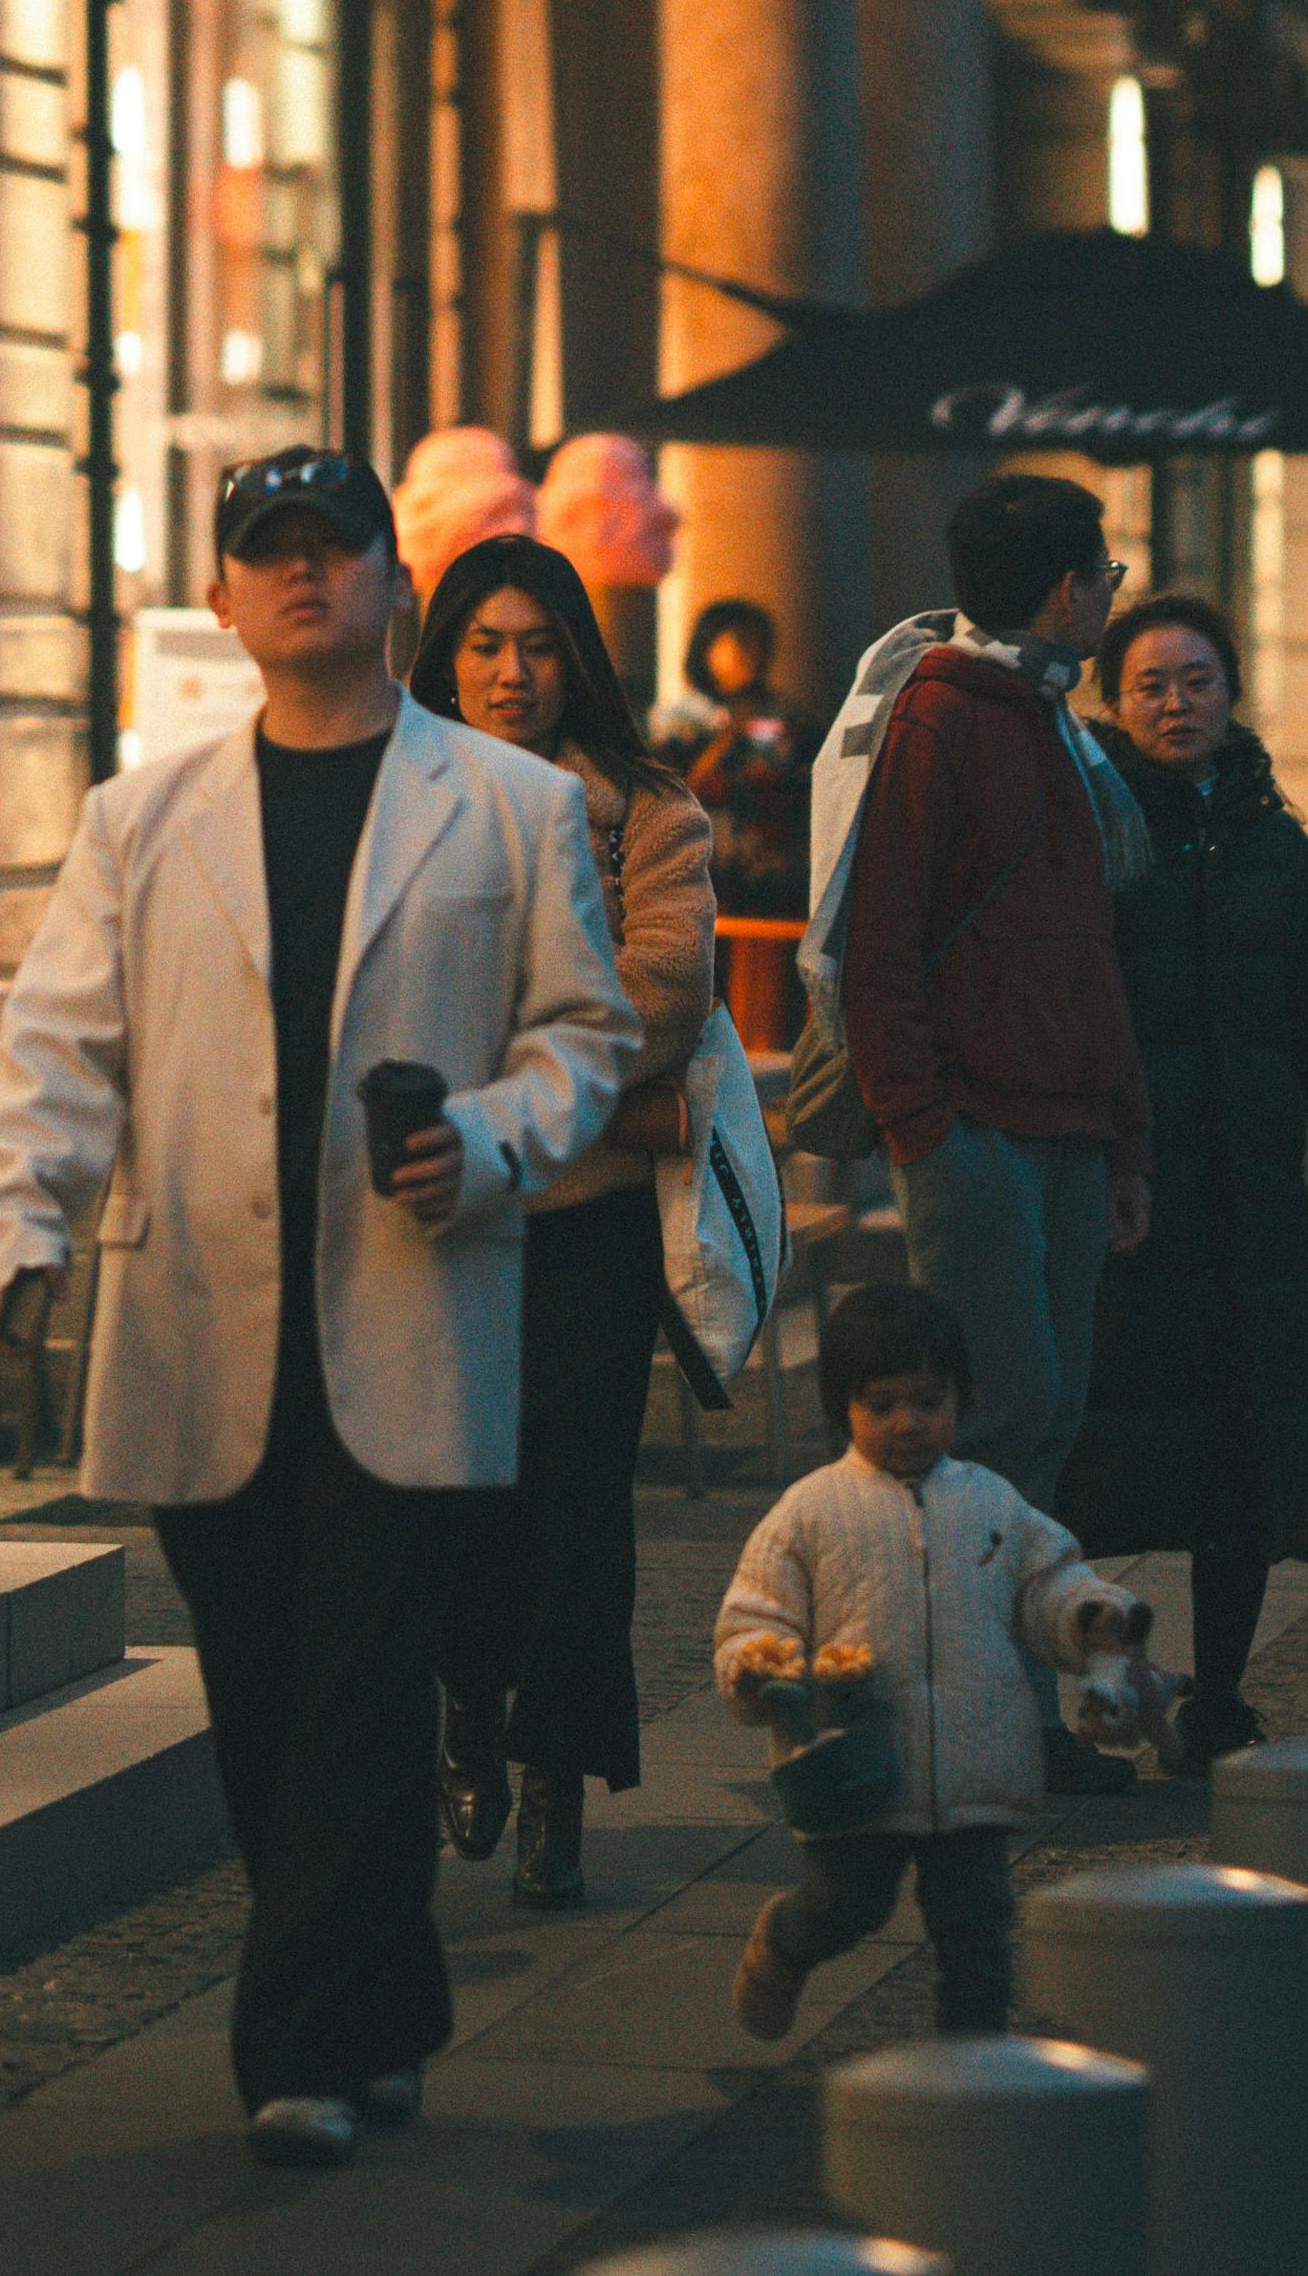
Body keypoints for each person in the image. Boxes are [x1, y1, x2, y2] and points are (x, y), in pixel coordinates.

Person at [0, 448, 639, 2169]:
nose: (299, 577)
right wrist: (19, 1221)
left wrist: (488, 1140)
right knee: (262, 1698)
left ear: (385, 581)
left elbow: (585, 1035)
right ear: (222, 596)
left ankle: (301, 2052)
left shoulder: (510, 803)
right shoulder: (145, 813)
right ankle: (385, 1996)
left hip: (408, 1310)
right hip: (200, 1312)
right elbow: (62, 1040)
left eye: (330, 548)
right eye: (265, 552)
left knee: (362, 1684)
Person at [1060, 592, 1308, 1768]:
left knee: (1240, 1458)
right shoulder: (1089, 831)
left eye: (1196, 680)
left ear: (1231, 691)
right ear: (1110, 699)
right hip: (1132, 1198)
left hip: (1248, 1200)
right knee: (1100, 1449)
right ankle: (1096, 1672)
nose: (1175, 702)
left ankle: (1217, 1693)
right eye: (1151, 682)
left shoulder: (1273, 840)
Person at [419, 529, 713, 1909]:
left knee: (582, 1512)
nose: (512, 672)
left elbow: (665, 991)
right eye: (484, 644)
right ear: (446, 654)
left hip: (590, 1224)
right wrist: (562, 1067)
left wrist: (508, 1074)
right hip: (441, 1222)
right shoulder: (394, 792)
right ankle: (466, 1701)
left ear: (575, 656)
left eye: (538, 645)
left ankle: (555, 1780)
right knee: (459, 1498)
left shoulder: (643, 805)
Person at [821, 470, 1151, 1519]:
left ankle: (1010, 1666)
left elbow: (1087, 954)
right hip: (975, 1130)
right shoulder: (942, 716)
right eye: (1103, 574)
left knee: (1049, 1412)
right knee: (996, 1413)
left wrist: (1121, 1137)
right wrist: (925, 1128)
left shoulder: (1053, 718)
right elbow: (879, 944)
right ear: (1065, 590)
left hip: (1064, 1127)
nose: (1109, 592)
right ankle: (961, 1658)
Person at [714, 1277, 1139, 2048]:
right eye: (882, 1404)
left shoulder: (992, 1503)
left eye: (929, 1399)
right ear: (841, 1407)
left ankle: (970, 2075)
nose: (908, 1422)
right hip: (855, 1768)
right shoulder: (809, 1512)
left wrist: (1085, 1614)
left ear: (960, 1399)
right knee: (847, 1908)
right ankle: (784, 1943)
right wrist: (753, 1664)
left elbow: (1045, 1584)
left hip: (975, 1765)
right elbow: (757, 1614)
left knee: (975, 1932)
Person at [660, 591, 815, 922]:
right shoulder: (680, 717)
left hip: (769, 870)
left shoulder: (786, 713)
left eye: (760, 643)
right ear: (708, 646)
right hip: (697, 866)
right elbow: (671, 790)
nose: (753, 654)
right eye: (740, 642)